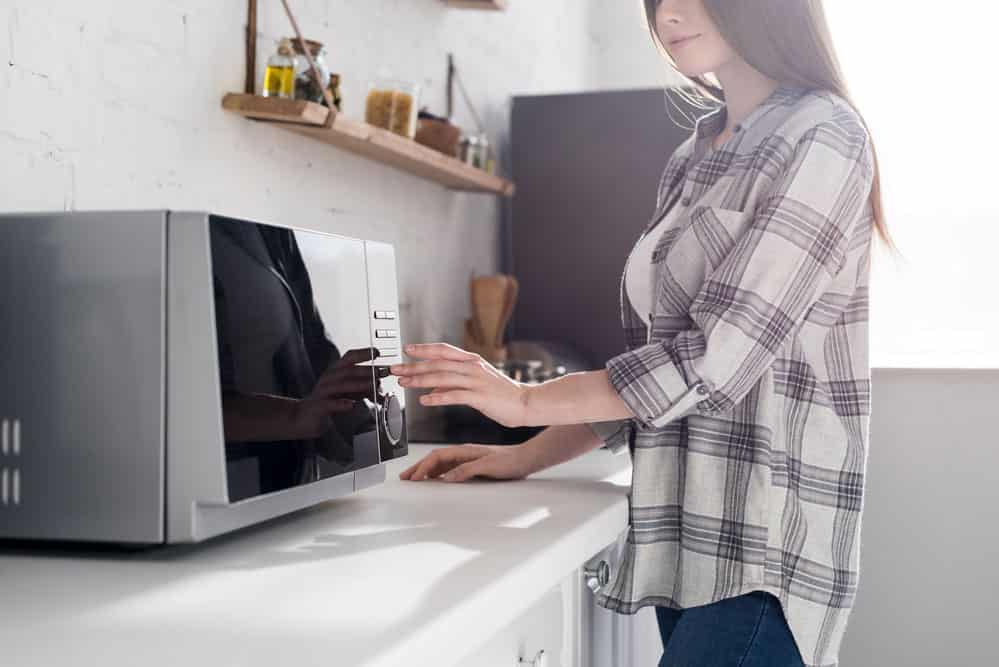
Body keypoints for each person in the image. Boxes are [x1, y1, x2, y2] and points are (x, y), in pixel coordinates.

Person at [389, 1, 893, 665]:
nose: (668, 14)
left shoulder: (823, 134)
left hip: (761, 554)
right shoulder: (693, 153)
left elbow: (715, 358)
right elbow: (651, 375)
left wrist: (520, 399)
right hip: (678, 545)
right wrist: (522, 453)